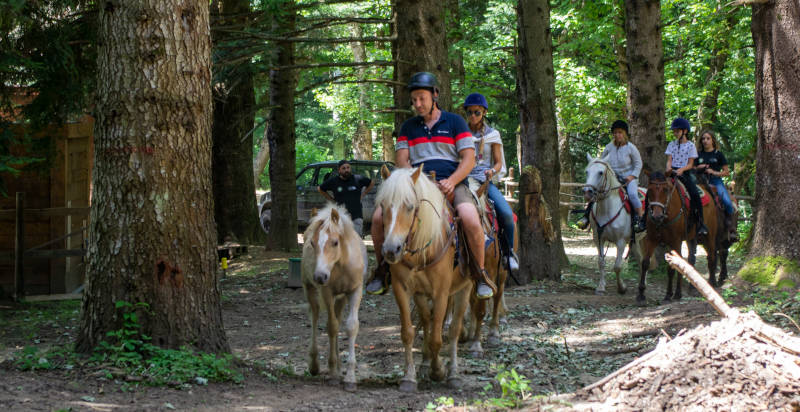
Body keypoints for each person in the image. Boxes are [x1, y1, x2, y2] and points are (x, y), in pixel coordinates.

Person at [366, 72, 494, 299]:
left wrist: (452, 181)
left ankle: (479, 273)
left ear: (434, 95)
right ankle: (383, 270)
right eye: (414, 100)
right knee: (378, 218)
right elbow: (402, 161)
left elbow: (468, 159)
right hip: (416, 188)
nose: (417, 104)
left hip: (453, 185)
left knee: (470, 217)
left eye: (422, 98)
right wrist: (420, 184)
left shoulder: (455, 122)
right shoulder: (407, 127)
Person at [463, 92, 519, 272]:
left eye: (476, 112)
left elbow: (498, 162)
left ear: (484, 112)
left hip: (485, 181)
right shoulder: (461, 134)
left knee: (506, 213)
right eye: (470, 112)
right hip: (465, 180)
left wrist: (492, 171)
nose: (473, 116)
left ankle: (509, 252)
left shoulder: (493, 135)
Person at [577, 120, 646, 232]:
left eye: (619, 132)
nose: (617, 135)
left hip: (629, 178)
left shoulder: (631, 148)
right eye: (615, 133)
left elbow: (638, 164)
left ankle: (639, 218)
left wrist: (632, 176)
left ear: (624, 133)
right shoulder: (609, 147)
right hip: (613, 178)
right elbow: (602, 162)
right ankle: (586, 217)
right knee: (597, 192)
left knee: (633, 194)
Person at [666, 117, 708, 237]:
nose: (675, 133)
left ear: (685, 131)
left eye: (677, 131)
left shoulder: (690, 146)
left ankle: (701, 223)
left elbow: (690, 164)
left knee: (694, 194)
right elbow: (669, 160)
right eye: (674, 131)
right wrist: (668, 168)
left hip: (685, 172)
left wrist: (681, 170)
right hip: (672, 172)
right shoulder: (671, 144)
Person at [695, 129, 738, 242]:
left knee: (727, 202)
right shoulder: (698, 154)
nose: (705, 141)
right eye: (703, 138)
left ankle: (730, 228)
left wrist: (714, 172)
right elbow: (692, 168)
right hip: (700, 181)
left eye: (708, 138)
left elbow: (726, 172)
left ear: (713, 140)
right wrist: (699, 167)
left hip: (715, 181)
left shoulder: (718, 154)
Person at [318, 159, 374, 236]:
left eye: (348, 167)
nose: (346, 170)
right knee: (342, 241)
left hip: (356, 216)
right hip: (341, 217)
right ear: (339, 170)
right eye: (343, 168)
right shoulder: (333, 181)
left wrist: (363, 194)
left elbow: (371, 183)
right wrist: (331, 199)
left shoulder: (357, 179)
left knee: (356, 240)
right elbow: (320, 189)